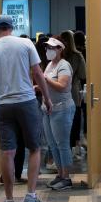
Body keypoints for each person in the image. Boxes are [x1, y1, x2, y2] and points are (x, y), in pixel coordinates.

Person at [0, 14, 54, 202]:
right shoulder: (25, 44)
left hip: (4, 104)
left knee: (8, 152)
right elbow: (37, 73)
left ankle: (9, 200)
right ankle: (31, 196)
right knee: (35, 148)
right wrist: (47, 98)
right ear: (11, 27)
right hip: (27, 100)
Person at [41, 36, 76, 190]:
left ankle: (66, 177)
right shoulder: (49, 65)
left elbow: (62, 85)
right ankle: (60, 174)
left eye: (52, 48)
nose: (48, 50)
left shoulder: (64, 65)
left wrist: (45, 80)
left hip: (62, 109)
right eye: (47, 48)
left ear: (60, 49)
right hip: (48, 109)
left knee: (62, 144)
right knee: (52, 144)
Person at [59, 30, 86, 158]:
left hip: (59, 91)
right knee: (74, 122)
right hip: (73, 91)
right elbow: (83, 75)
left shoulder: (59, 55)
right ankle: (73, 149)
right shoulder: (78, 56)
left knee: (61, 124)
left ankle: (63, 152)